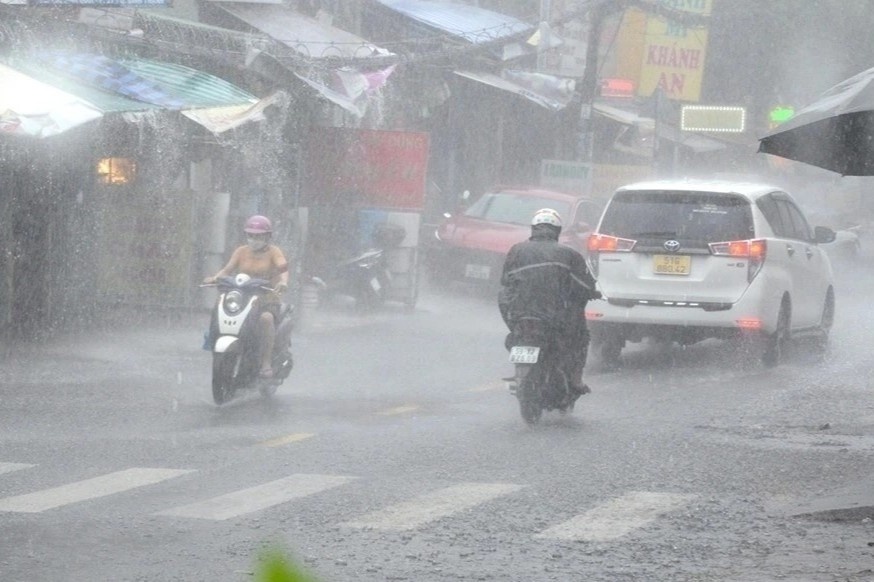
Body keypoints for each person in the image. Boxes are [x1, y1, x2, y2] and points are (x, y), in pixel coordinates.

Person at [498, 208, 600, 397]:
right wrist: (593, 292)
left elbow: (506, 282)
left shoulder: (516, 250)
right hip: (554, 317)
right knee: (581, 337)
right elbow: (584, 285)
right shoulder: (568, 254)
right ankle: (575, 380)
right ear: (557, 230)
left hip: (521, 316)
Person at [203, 215, 289, 378]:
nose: (254, 239)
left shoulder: (274, 252)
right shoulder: (241, 251)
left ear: (267, 236)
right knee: (219, 307)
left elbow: (283, 268)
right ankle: (213, 341)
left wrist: (283, 282)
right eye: (251, 235)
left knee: (266, 319)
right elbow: (227, 270)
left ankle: (266, 362)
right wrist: (215, 278)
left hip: (267, 299)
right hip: (242, 298)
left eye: (258, 236)